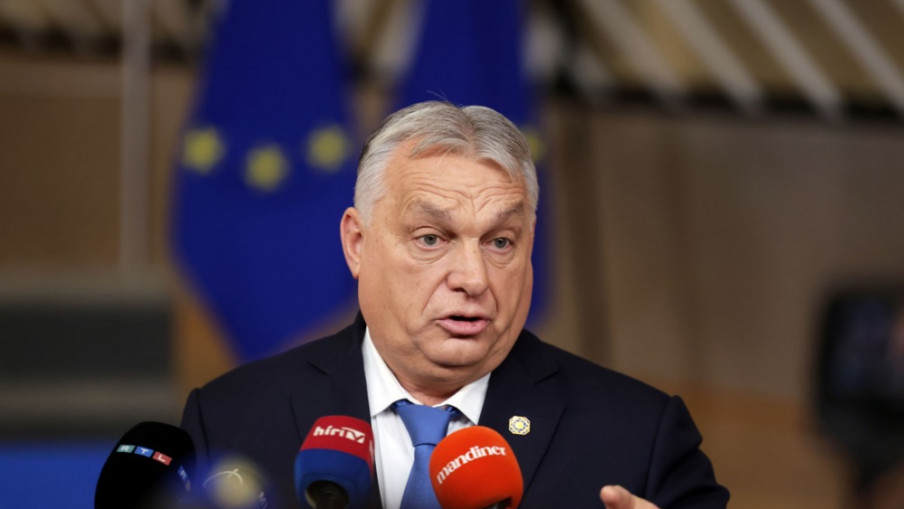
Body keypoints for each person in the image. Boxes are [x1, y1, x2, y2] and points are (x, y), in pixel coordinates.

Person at [180, 101, 729, 508]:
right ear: (357, 244)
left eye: (500, 242)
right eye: (431, 238)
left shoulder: (640, 439)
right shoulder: (230, 422)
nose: (473, 278)